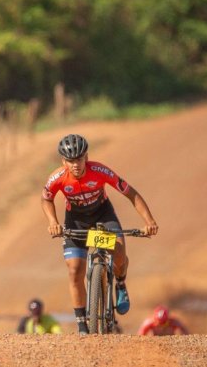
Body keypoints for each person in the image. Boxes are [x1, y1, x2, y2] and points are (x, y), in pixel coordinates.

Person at [41, 133, 159, 334]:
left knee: (119, 253)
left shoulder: (100, 171)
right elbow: (46, 199)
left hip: (103, 216)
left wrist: (149, 222)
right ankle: (82, 325)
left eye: (79, 159)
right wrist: (53, 221)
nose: (75, 165)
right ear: (63, 162)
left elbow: (130, 193)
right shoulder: (57, 177)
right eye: (70, 161)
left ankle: (120, 283)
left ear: (86, 157)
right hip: (76, 221)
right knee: (74, 270)